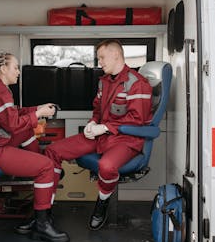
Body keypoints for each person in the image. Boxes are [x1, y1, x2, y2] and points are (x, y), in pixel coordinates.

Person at [44, 39, 153, 230]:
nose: (99, 62)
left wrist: (104, 127)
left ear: (116, 55)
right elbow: (97, 110)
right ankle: (44, 212)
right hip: (101, 137)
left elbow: (137, 119)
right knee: (53, 151)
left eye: (102, 57)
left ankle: (102, 202)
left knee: (107, 166)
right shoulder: (104, 82)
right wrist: (93, 123)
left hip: (125, 140)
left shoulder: (137, 84)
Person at [0, 51, 69, 242]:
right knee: (47, 166)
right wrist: (39, 112)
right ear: (3, 69)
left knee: (26, 132)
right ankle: (41, 224)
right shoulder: (1, 91)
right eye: (15, 68)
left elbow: (13, 115)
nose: (18, 72)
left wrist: (37, 108)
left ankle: (34, 169)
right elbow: (13, 125)